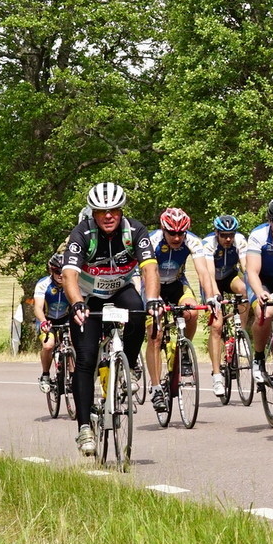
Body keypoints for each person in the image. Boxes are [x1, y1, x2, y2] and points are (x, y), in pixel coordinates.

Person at [60, 181, 159, 453]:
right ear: (93, 213)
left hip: (120, 290)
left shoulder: (135, 231)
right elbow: (69, 274)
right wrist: (76, 303)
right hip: (88, 297)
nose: (108, 216)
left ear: (121, 210)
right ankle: (84, 428)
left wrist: (153, 299)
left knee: (138, 310)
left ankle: (129, 366)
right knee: (86, 358)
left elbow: (150, 269)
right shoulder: (82, 233)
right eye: (101, 211)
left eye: (114, 210)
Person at [144, 207, 201, 412]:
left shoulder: (192, 241)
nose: (177, 238)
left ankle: (184, 350)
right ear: (163, 229)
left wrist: (212, 296)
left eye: (181, 233)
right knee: (155, 334)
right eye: (172, 233)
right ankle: (156, 388)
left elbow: (204, 271)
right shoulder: (151, 241)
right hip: (151, 285)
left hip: (176, 283)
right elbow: (144, 272)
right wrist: (154, 298)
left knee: (192, 311)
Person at [192, 214, 247, 396]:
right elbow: (208, 274)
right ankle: (216, 376)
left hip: (229, 276)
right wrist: (215, 296)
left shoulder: (240, 241)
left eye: (231, 235)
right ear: (216, 233)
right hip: (212, 280)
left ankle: (241, 334)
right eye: (224, 235)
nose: (228, 239)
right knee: (216, 326)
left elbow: (246, 268)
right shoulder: (208, 244)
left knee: (244, 290)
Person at [241, 197, 273, 385]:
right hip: (262, 279)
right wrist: (259, 292)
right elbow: (252, 271)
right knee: (266, 311)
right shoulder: (259, 235)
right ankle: (258, 358)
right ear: (269, 220)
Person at [33, 251, 77, 392]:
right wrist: (43, 321)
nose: (60, 275)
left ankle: (73, 375)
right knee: (48, 346)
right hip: (47, 319)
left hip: (66, 317)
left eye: (63, 271)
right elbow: (38, 307)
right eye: (56, 271)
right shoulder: (43, 284)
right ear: (51, 271)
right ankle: (45, 375)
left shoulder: (73, 283)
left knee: (73, 342)